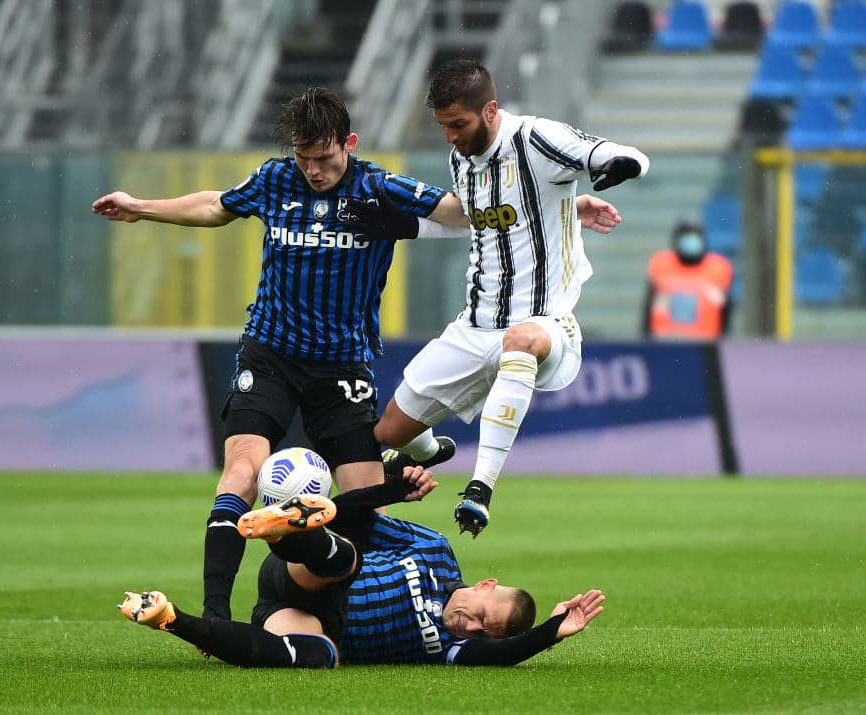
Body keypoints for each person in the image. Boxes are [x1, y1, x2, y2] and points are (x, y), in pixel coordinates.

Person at [92, 87, 469, 622]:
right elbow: (216, 206)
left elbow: (458, 212)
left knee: (369, 505)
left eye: (324, 158)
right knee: (242, 472)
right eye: (304, 157)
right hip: (271, 352)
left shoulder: (380, 186)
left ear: (349, 143)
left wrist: (554, 208)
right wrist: (142, 208)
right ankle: (215, 617)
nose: (313, 170)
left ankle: (357, 616)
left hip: (341, 366)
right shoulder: (275, 179)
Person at [345, 59, 650, 537]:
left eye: (458, 124)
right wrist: (402, 227)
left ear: (490, 109)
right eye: (443, 126)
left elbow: (616, 153)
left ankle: (480, 488)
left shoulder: (536, 138)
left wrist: (619, 165)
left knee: (523, 340)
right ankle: (433, 450)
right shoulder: (462, 155)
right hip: (474, 325)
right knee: (387, 433)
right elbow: (476, 217)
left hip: (546, 323)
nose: (450, 136)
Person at [118, 467, 606, 667]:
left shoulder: (455, 647)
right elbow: (349, 515)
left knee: (315, 656)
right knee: (347, 556)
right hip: (306, 575)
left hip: (310, 620)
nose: (472, 625)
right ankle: (290, 531)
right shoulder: (434, 550)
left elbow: (500, 656)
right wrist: (393, 490)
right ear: (486, 583)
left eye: (485, 631)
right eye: (483, 612)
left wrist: (550, 631)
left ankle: (171, 619)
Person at [642, 219, 734, 340]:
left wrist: (723, 340)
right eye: (686, 235)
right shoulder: (661, 265)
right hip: (665, 341)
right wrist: (646, 338)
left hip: (705, 344)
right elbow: (649, 304)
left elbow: (727, 308)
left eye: (695, 235)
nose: (691, 241)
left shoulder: (718, 268)